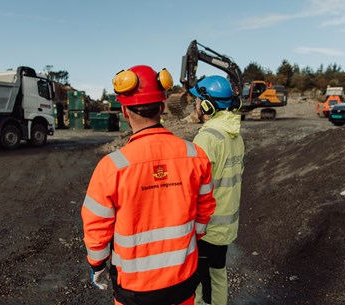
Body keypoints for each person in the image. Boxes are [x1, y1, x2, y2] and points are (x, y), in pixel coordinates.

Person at [81, 65, 217, 305]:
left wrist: (98, 263)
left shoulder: (112, 167)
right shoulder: (196, 155)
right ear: (163, 107)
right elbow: (204, 211)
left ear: (124, 111)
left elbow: (96, 227)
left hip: (135, 290)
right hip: (183, 282)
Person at [190, 75, 245, 305]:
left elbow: (193, 187)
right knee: (218, 275)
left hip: (208, 228)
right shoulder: (235, 135)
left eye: (196, 100)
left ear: (206, 105)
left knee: (203, 283)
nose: (194, 105)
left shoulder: (207, 138)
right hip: (226, 226)